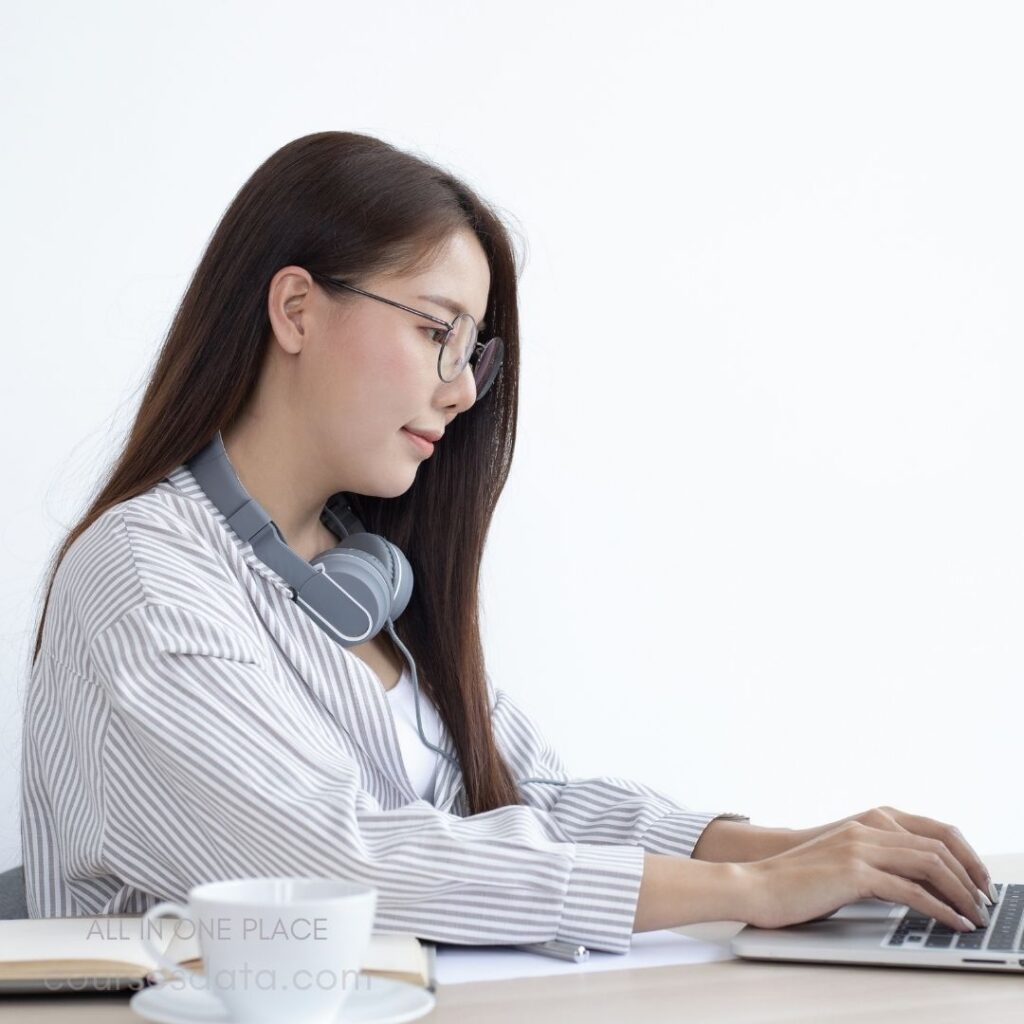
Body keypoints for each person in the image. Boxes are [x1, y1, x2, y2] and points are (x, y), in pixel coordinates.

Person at [21, 131, 993, 952]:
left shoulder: (358, 569)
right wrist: (748, 896)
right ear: (296, 308)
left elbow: (532, 799)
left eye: (471, 350)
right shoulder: (144, 579)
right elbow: (336, 863)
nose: (459, 388)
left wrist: (794, 849)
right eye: (437, 331)